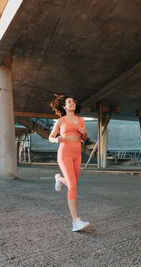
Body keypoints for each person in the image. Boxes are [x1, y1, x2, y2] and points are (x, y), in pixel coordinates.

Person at [49, 94, 90, 232]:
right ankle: (75, 221)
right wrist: (56, 140)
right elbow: (51, 137)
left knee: (73, 184)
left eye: (73, 101)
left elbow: (84, 139)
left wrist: (84, 133)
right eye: (69, 102)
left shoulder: (81, 120)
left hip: (77, 154)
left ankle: (59, 178)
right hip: (65, 153)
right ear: (64, 106)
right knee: (72, 185)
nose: (72, 103)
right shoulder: (61, 121)